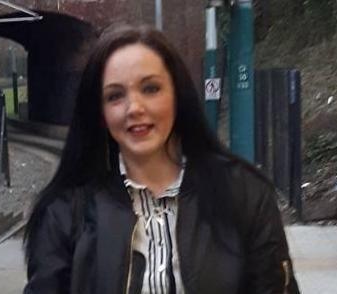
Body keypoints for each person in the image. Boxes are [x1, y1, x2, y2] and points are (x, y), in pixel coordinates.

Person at [23, 24, 300, 294]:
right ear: (100, 112)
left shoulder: (244, 195)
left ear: (177, 95)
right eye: (115, 96)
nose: (135, 108)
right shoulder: (64, 214)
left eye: (151, 89)